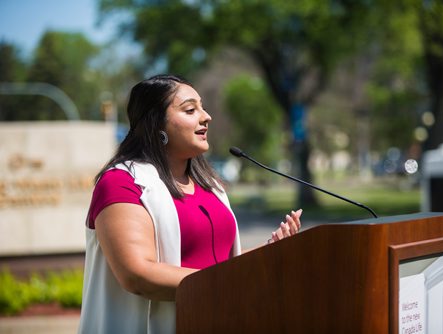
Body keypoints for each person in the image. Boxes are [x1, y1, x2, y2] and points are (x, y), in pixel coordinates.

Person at [78, 74, 302, 334]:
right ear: (156, 123)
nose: (206, 117)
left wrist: (267, 255)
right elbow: (137, 275)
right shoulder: (122, 183)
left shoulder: (211, 188)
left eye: (202, 107)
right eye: (190, 110)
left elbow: (221, 264)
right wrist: (229, 280)